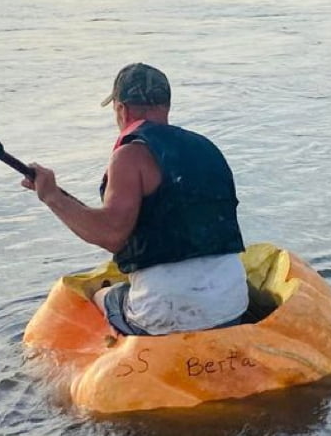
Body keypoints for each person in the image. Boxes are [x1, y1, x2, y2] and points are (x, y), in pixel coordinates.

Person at [23, 63, 248, 336]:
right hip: (231, 306)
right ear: (165, 105)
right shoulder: (208, 148)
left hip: (165, 313)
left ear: (122, 109)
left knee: (102, 295)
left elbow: (112, 235)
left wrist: (51, 196)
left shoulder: (129, 156)